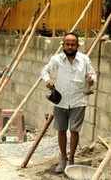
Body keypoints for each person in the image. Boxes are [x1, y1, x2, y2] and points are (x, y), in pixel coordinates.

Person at [41, 33, 96, 173]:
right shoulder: (56, 59)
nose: (70, 46)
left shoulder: (84, 59)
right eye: (67, 44)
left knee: (74, 130)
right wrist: (47, 80)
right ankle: (63, 159)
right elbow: (44, 71)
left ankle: (71, 159)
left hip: (78, 100)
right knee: (61, 130)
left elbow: (93, 74)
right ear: (63, 45)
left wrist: (91, 79)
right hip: (60, 101)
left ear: (77, 45)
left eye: (73, 44)